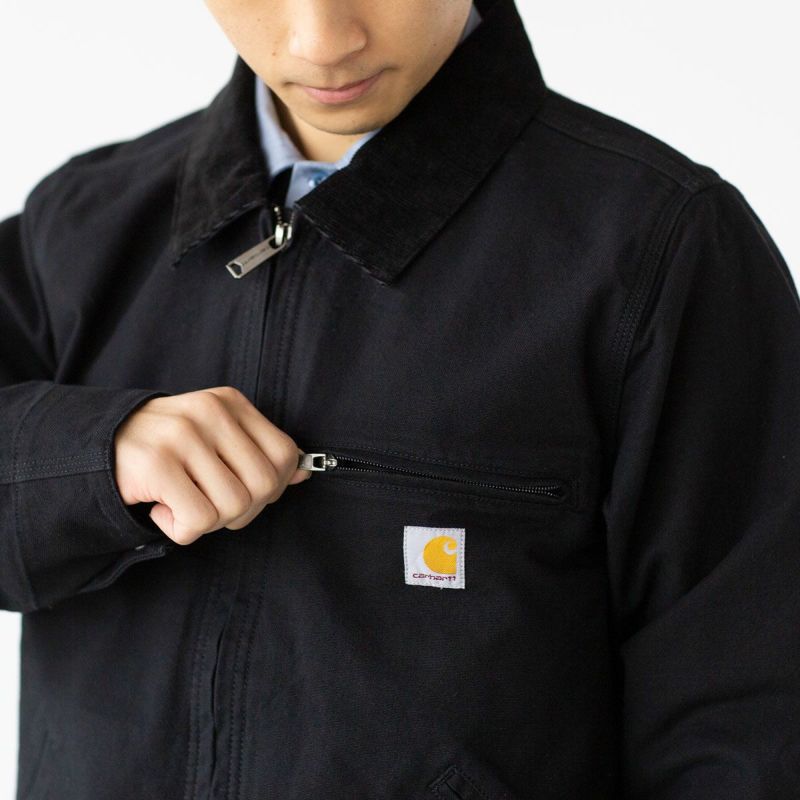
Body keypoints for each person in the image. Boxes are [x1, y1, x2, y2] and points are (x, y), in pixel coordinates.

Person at [1, 0, 798, 797]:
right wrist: (86, 456)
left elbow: (744, 728)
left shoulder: (658, 249)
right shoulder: (77, 228)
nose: (322, 42)